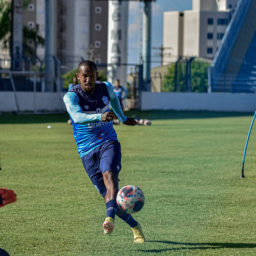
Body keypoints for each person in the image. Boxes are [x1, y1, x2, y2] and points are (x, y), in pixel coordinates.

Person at [63, 60, 145, 243]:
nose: (88, 79)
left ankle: (109, 219)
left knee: (109, 175)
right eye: (84, 76)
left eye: (91, 75)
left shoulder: (106, 88)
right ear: (78, 77)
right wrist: (100, 116)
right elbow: (76, 116)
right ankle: (135, 226)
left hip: (108, 142)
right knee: (110, 197)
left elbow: (115, 102)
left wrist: (123, 119)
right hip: (86, 150)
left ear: (96, 76)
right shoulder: (70, 96)